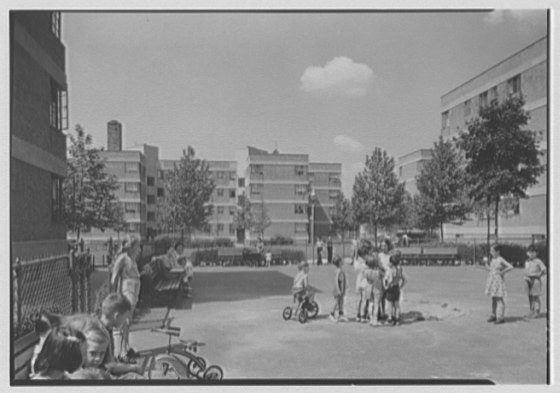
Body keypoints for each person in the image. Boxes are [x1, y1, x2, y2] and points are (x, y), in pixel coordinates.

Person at [111, 235, 142, 362]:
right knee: (125, 323)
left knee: (128, 323)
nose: (139, 249)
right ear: (130, 247)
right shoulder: (122, 259)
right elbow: (114, 278)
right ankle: (122, 353)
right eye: (137, 246)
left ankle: (126, 348)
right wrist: (114, 297)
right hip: (126, 291)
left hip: (133, 291)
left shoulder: (132, 259)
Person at [484, 244, 514, 324]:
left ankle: (500, 317)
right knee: (493, 298)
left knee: (499, 299)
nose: (491, 252)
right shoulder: (493, 259)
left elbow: (510, 266)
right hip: (492, 281)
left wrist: (502, 272)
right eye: (490, 251)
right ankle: (494, 315)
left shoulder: (500, 259)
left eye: (492, 251)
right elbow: (490, 269)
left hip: (498, 281)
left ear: (498, 251)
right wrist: (486, 263)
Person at [384, 251, 406, 326]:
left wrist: (386, 286)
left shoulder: (390, 270)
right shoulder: (399, 270)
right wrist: (400, 286)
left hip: (391, 288)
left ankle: (390, 319)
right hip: (397, 287)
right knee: (396, 304)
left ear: (392, 262)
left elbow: (389, 280)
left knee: (389, 304)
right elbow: (404, 280)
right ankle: (397, 319)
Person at [524, 244, 546, 318]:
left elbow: (544, 270)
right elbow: (526, 270)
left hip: (536, 280)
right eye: (530, 252)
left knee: (536, 296)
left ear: (537, 253)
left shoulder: (538, 261)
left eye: (533, 252)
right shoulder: (527, 261)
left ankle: (537, 311)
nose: (531, 254)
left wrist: (538, 275)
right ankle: (531, 310)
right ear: (527, 253)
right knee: (530, 296)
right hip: (528, 280)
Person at [354, 239, 374, 322]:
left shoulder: (358, 261)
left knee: (362, 299)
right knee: (365, 300)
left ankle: (359, 314)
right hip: (364, 282)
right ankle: (363, 315)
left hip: (360, 282)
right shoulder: (363, 263)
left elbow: (356, 257)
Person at [364, 253, 384, 327]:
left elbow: (367, 278)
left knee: (370, 303)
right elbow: (383, 274)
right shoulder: (378, 272)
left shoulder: (366, 271)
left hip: (369, 288)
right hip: (377, 288)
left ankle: (371, 319)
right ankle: (375, 320)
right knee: (376, 304)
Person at [329, 256, 348, 322]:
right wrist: (338, 290)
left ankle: (341, 315)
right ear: (339, 263)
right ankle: (332, 314)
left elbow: (342, 280)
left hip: (341, 289)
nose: (343, 261)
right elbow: (337, 281)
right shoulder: (339, 270)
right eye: (341, 261)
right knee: (336, 302)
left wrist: (345, 287)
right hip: (338, 289)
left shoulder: (340, 270)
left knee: (341, 302)